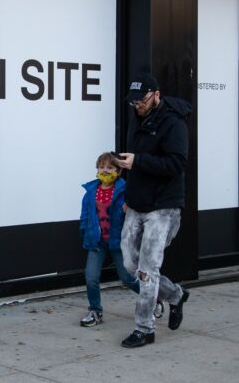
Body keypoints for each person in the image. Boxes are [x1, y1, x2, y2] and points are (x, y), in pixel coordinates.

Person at [114, 72, 192, 348]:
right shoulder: (137, 118)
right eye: (134, 102)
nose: (138, 106)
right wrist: (126, 189)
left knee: (147, 270)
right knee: (130, 264)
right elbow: (134, 162)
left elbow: (176, 164)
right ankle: (176, 295)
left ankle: (144, 328)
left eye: (142, 101)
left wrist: (139, 162)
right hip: (136, 203)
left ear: (156, 94)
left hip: (163, 207)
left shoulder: (174, 123)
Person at [78, 152, 140, 327]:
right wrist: (85, 231)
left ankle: (152, 298)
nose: (105, 171)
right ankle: (95, 311)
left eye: (110, 167)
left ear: (118, 171)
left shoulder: (124, 190)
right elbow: (85, 215)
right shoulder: (91, 192)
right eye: (102, 167)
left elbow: (135, 213)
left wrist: (129, 209)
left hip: (118, 242)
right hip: (97, 242)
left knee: (127, 278)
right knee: (91, 277)